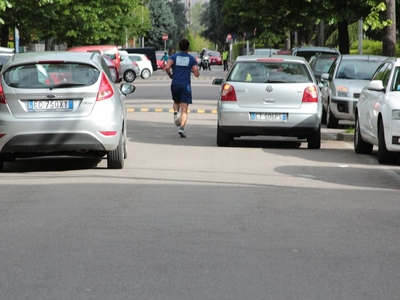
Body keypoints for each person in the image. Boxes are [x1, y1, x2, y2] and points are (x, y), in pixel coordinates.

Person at [165, 39, 200, 138]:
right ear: (188, 47)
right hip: (185, 85)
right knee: (184, 108)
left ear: (179, 47)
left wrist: (171, 75)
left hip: (175, 83)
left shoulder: (174, 57)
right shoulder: (191, 59)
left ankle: (176, 112)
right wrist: (191, 70)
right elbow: (196, 73)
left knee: (176, 102)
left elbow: (167, 67)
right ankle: (182, 128)